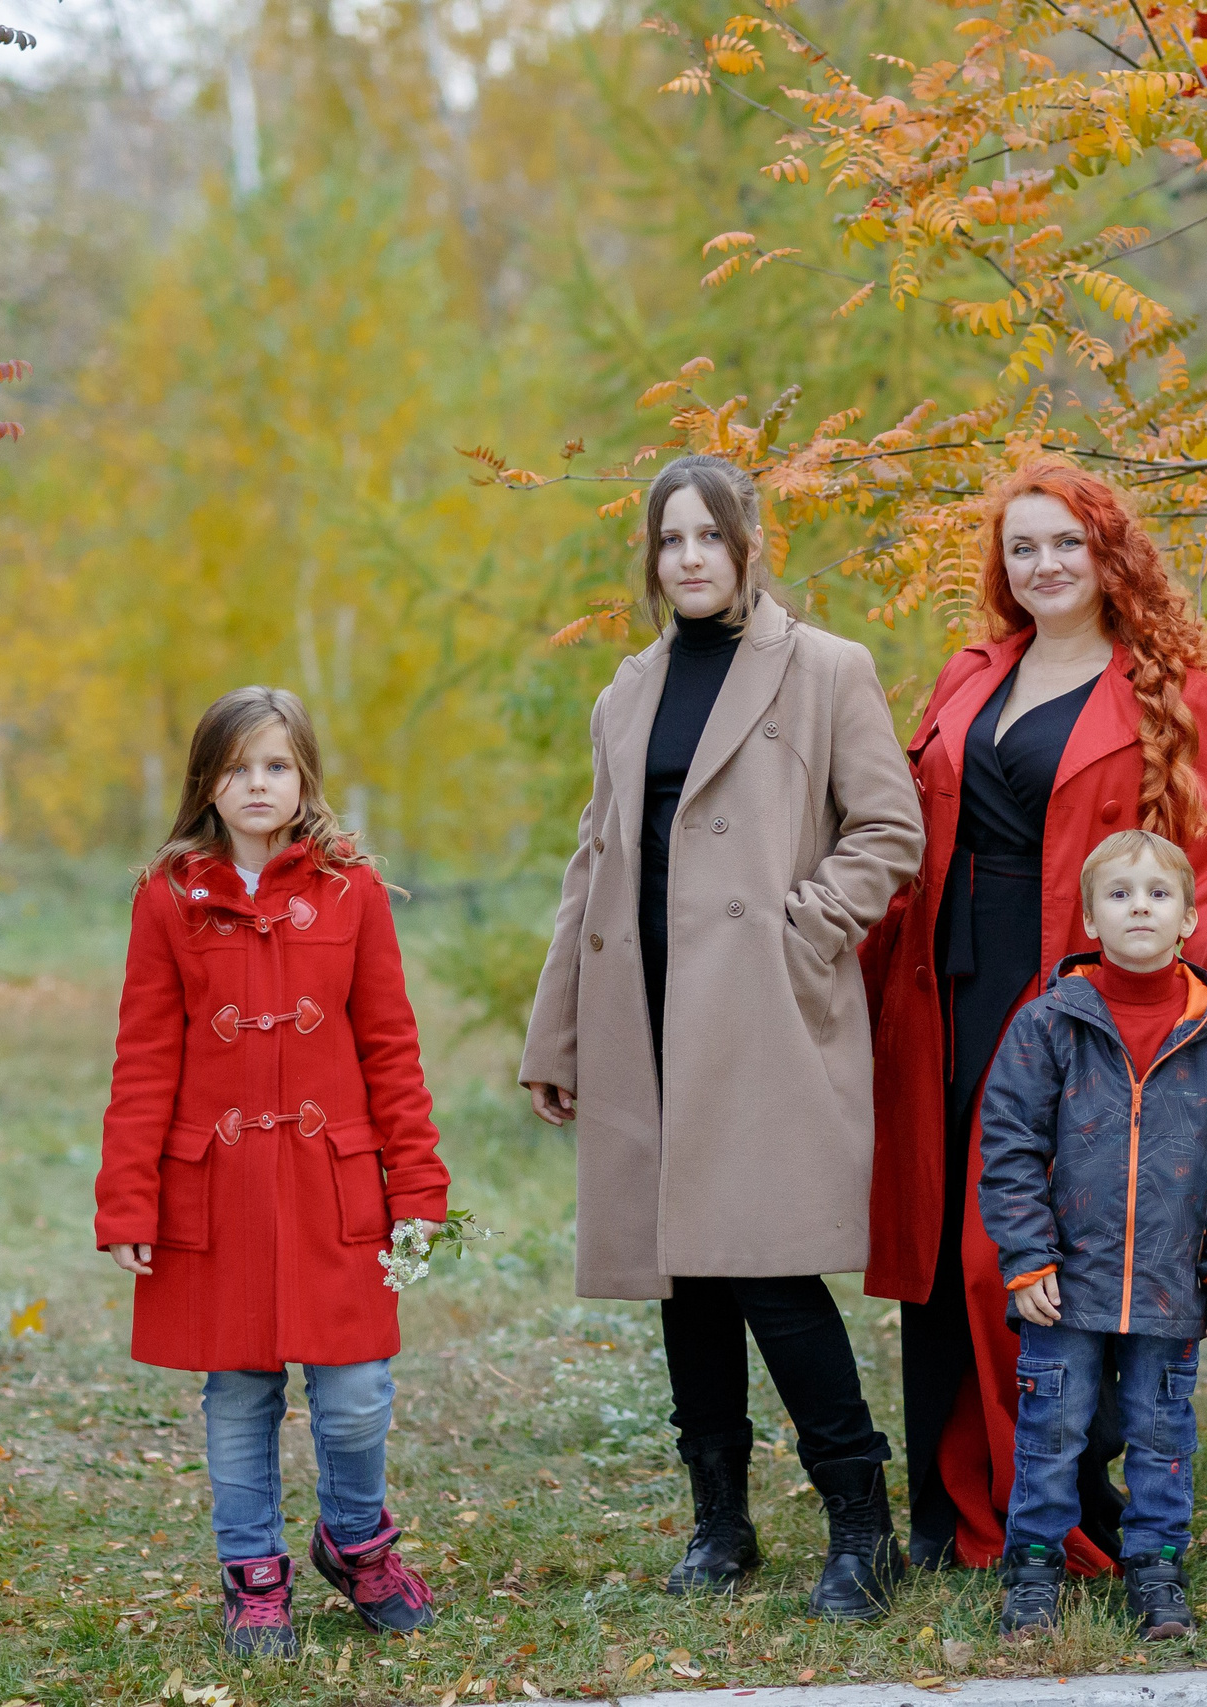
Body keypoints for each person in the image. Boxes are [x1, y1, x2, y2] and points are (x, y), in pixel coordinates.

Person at [520, 454, 924, 1619]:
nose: (687, 557)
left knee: (771, 1272)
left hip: (756, 1010)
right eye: (668, 539)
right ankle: (721, 1525)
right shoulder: (625, 690)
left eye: (708, 536)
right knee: (681, 1282)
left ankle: (861, 1528)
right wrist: (559, 1035)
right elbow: (593, 863)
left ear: (749, 546)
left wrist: (806, 927)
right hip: (639, 1009)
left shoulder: (826, 670)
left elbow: (888, 829)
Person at [860, 461, 1207, 1577]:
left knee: (1031, 1249)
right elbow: (900, 834)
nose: (1041, 566)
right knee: (943, 1248)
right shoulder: (969, 672)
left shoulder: (1164, 688)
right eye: (1021, 548)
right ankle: (946, 1514)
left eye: (1065, 546)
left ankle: (1049, 1506)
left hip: (1071, 1000)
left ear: (1108, 556)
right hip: (939, 987)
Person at [95, 686, 448, 1659]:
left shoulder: (352, 890)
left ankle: (356, 1540)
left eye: (277, 766)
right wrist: (127, 1197)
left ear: (305, 779)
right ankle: (253, 1580)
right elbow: (143, 1060)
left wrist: (418, 1191)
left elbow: (390, 1049)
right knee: (239, 1396)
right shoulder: (168, 897)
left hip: (336, 1191)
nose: (258, 784)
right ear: (206, 781)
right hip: (215, 1194)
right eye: (238, 767)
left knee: (357, 1390)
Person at [978, 830, 1207, 1640]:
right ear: (1089, 917)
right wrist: (1027, 1251)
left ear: (1188, 920)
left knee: (1159, 1429)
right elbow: (1008, 1144)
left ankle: (1156, 1567)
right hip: (1065, 1281)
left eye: (1157, 892)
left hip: (1171, 1283)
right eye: (1118, 892)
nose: (1138, 904)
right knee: (1053, 1425)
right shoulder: (1049, 1026)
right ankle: (1035, 1566)